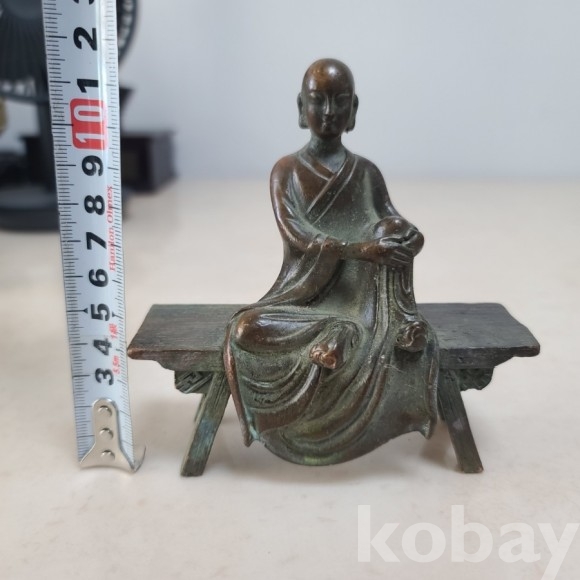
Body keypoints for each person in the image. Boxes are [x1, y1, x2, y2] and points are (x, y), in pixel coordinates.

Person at [224, 59, 439, 465]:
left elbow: (390, 218)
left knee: (390, 228)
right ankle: (339, 332)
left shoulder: (366, 173)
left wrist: (408, 236)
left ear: (353, 109)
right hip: (303, 296)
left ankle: (395, 325)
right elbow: (299, 235)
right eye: (317, 100)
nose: (328, 112)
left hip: (363, 301)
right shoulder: (286, 171)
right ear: (300, 107)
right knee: (245, 329)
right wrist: (360, 249)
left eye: (340, 101)